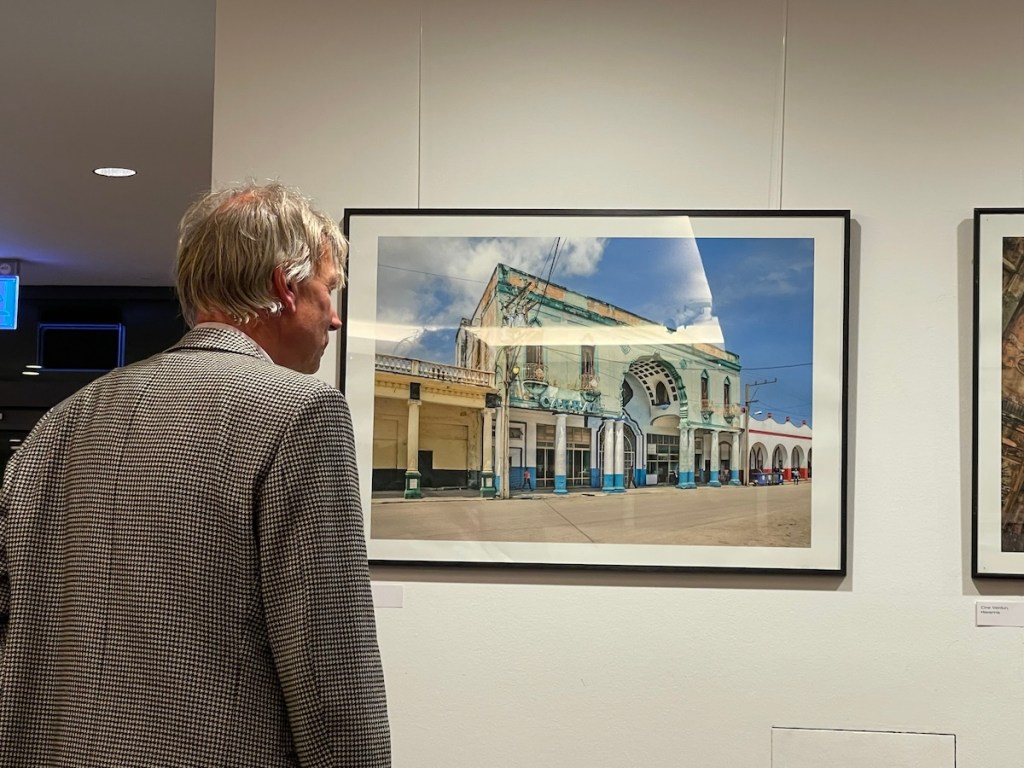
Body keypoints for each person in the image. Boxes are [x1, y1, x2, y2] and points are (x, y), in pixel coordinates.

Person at [0, 182, 391, 767]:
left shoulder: (60, 422)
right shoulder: (301, 413)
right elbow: (330, 668)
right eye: (328, 290)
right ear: (285, 287)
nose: (335, 319)